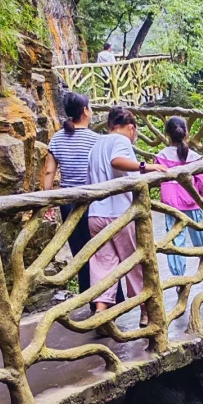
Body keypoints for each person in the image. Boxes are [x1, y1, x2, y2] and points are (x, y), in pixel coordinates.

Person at [85, 106, 148, 321]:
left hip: (95, 214)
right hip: (119, 213)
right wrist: (145, 166)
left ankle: (101, 313)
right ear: (131, 127)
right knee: (135, 262)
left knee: (103, 265)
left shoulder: (95, 146)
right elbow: (117, 161)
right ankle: (145, 311)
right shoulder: (120, 140)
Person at [42, 90, 99, 290]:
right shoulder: (95, 139)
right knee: (98, 247)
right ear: (85, 111)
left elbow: (49, 172)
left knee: (79, 250)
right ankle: (102, 296)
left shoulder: (57, 139)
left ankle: (86, 292)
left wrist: (48, 202)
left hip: (67, 201)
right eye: (90, 107)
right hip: (92, 201)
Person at [154, 117, 203, 281]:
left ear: (167, 135)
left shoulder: (161, 157)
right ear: (186, 133)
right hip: (192, 203)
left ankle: (178, 278)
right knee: (199, 236)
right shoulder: (194, 157)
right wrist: (202, 200)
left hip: (171, 206)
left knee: (175, 240)